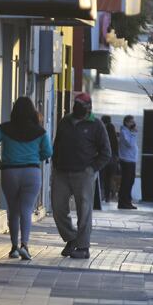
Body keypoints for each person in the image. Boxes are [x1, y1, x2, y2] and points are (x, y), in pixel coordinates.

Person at [0, 97, 52, 261]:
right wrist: (37, 156)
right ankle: (25, 245)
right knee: (26, 210)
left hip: (10, 172)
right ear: (32, 112)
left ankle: (14, 247)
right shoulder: (40, 131)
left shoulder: (5, 128)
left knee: (13, 210)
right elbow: (48, 152)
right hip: (32, 171)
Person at [51, 92, 111, 259]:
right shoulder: (65, 121)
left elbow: (106, 153)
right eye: (75, 104)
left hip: (84, 174)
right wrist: (55, 165)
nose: (77, 108)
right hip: (61, 172)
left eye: (81, 105)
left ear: (88, 108)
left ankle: (83, 247)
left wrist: (92, 169)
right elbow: (57, 144)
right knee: (58, 208)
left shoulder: (97, 125)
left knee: (84, 211)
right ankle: (71, 238)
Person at [118, 115, 139, 209]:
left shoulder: (128, 132)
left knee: (130, 181)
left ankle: (127, 201)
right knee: (126, 182)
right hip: (126, 160)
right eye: (131, 122)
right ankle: (123, 202)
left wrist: (133, 133)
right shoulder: (124, 132)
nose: (133, 124)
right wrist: (134, 133)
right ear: (126, 122)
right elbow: (130, 144)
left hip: (131, 160)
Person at [101, 115, 120, 203]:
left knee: (102, 177)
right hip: (112, 158)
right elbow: (116, 146)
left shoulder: (102, 131)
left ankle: (102, 195)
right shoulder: (113, 134)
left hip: (104, 158)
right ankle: (108, 196)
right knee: (109, 178)